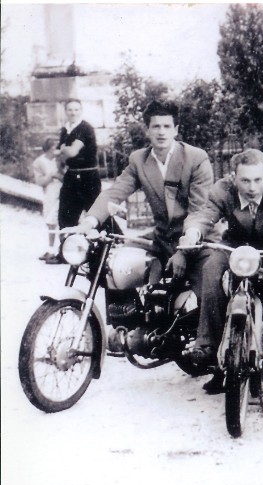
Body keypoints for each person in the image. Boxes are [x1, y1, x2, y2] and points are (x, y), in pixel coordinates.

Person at [62, 100, 217, 378]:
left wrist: (184, 251)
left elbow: (199, 211)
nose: (161, 132)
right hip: (162, 239)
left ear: (176, 129)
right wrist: (88, 222)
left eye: (166, 126)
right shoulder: (139, 160)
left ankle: (214, 354)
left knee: (211, 286)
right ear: (147, 130)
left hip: (198, 240)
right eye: (155, 126)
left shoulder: (196, 158)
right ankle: (124, 326)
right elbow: (114, 192)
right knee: (114, 259)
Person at [181, 149, 263, 392]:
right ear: (233, 177)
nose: (252, 187)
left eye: (257, 180)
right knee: (211, 266)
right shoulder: (223, 190)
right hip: (238, 248)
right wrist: (193, 231)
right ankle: (207, 346)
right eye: (245, 180)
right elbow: (204, 214)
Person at [57, 99, 101, 231]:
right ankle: (66, 250)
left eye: (76, 109)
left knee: (97, 214)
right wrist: (63, 150)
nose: (73, 113)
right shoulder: (65, 129)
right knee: (65, 216)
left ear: (81, 111)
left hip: (88, 176)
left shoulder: (85, 128)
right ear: (65, 111)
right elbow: (59, 153)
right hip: (71, 175)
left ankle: (115, 245)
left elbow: (71, 152)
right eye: (70, 110)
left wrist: (64, 149)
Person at [32, 138, 63, 263]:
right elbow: (40, 181)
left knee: (56, 221)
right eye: (53, 148)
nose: (55, 151)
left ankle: (59, 250)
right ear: (48, 149)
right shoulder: (39, 162)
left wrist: (59, 176)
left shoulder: (60, 160)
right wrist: (51, 176)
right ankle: (51, 249)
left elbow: (66, 176)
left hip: (61, 193)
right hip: (49, 193)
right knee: (50, 222)